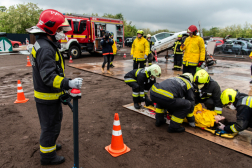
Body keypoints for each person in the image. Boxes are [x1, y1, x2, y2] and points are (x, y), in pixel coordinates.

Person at [26, 9, 83, 165]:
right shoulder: (45, 48)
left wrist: (63, 89)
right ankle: (48, 156)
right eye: (58, 29)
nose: (61, 33)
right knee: (51, 127)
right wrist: (68, 83)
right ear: (50, 29)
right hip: (47, 97)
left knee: (51, 125)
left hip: (48, 96)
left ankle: (49, 146)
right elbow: (49, 77)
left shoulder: (43, 43)